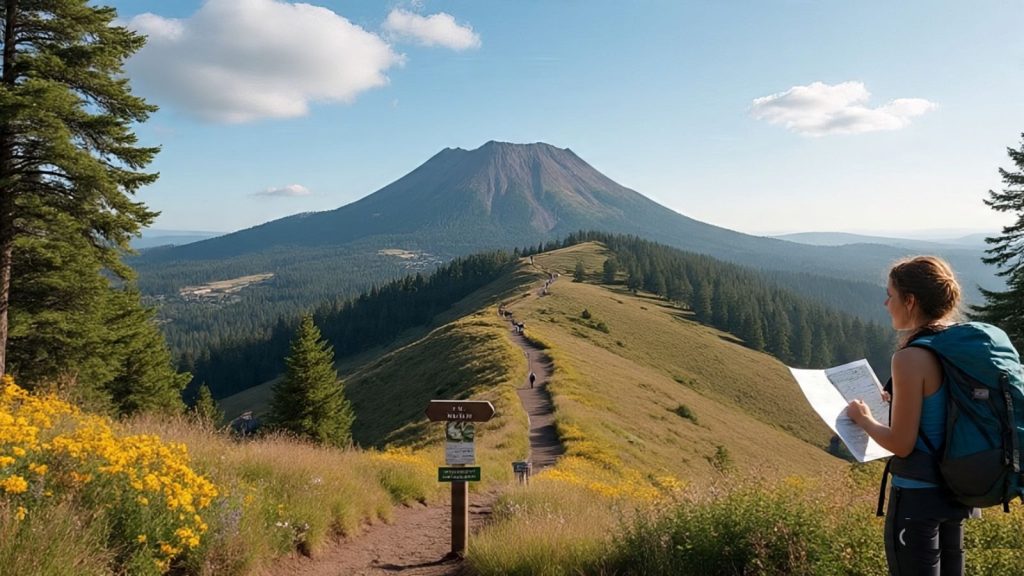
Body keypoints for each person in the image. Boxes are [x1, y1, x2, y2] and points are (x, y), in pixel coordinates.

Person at [847, 256, 977, 576]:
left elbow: (902, 444)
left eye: (890, 295)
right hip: (957, 491)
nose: (885, 302)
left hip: (918, 497)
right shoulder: (960, 343)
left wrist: (863, 418)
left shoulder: (910, 358)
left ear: (911, 301)